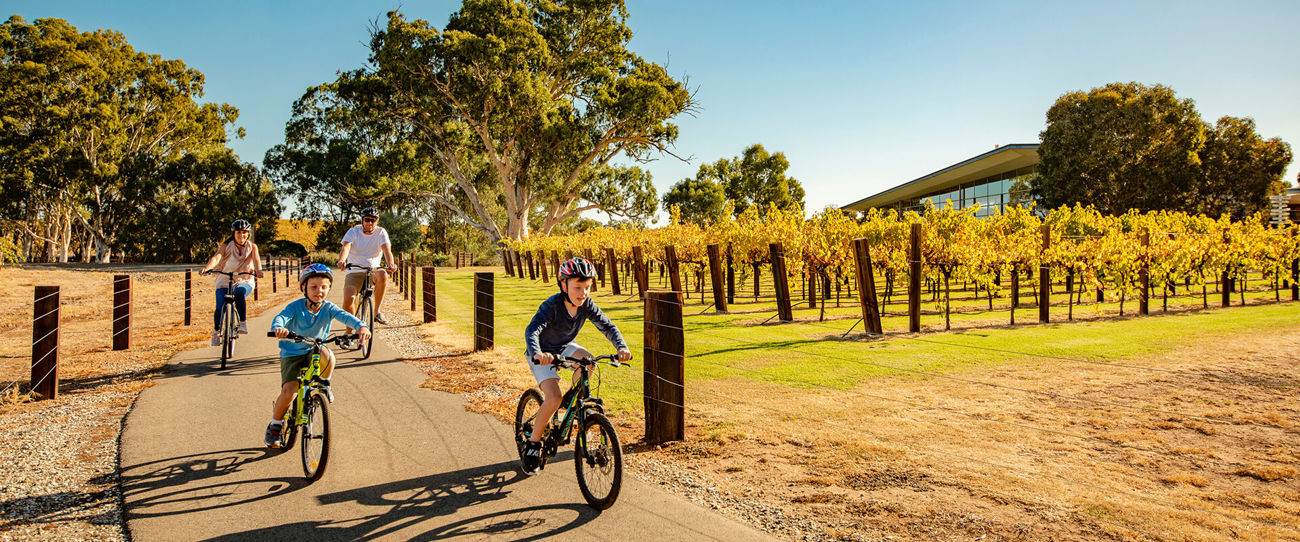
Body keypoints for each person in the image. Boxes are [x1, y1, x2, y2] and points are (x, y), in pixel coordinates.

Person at [522, 256, 632, 474]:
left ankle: (571, 402)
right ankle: (533, 445)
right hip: (543, 351)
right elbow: (532, 331)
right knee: (553, 397)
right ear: (563, 285)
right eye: (578, 287)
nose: (583, 293)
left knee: (588, 362)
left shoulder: (586, 304)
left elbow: (607, 327)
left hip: (564, 346)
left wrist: (621, 347)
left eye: (587, 287)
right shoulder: (552, 306)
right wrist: (537, 354)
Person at [266, 263, 371, 447]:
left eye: (324, 287)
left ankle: (324, 384)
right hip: (292, 352)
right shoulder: (295, 307)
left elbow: (346, 316)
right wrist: (278, 328)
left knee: (328, 354)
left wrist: (361, 326)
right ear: (303, 288)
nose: (319, 291)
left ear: (329, 289)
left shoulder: (329, 308)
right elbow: (281, 317)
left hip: (314, 349)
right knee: (289, 391)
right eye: (314, 287)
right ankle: (275, 424)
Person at [199, 219, 263, 346]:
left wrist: (259, 270)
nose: (241, 235)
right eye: (238, 232)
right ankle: (216, 332)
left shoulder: (252, 247)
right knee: (219, 306)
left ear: (248, 233)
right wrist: (207, 268)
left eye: (244, 232)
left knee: (239, 292)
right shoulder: (226, 246)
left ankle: (243, 324)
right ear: (233, 233)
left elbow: (256, 260)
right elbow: (216, 257)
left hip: (245, 279)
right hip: (225, 279)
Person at [338, 208, 397, 337]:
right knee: (348, 300)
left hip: (373, 270)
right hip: (354, 270)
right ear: (362, 220)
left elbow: (387, 250)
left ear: (377, 221)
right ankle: (348, 333)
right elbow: (346, 246)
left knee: (383, 274)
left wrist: (391, 264)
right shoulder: (354, 231)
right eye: (367, 220)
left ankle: (377, 312)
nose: (369, 223)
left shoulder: (381, 232)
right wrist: (342, 260)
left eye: (373, 220)